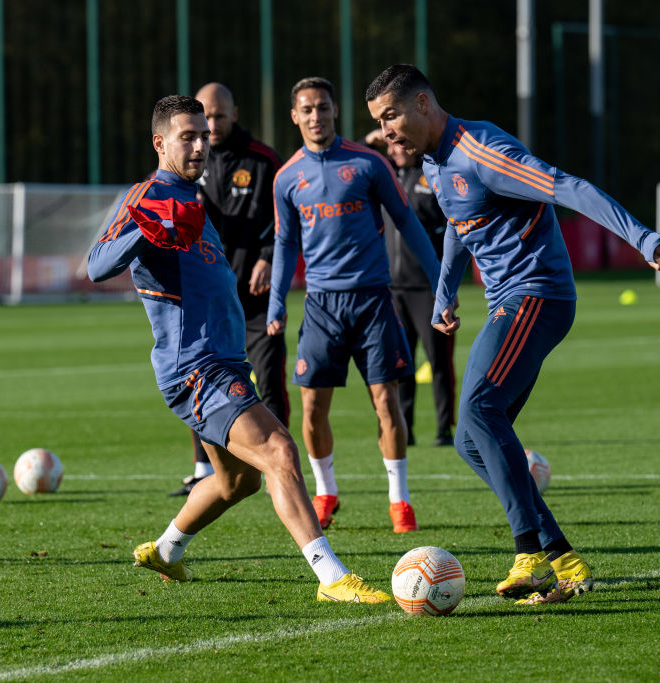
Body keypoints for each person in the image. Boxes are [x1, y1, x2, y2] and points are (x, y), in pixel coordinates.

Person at [365, 64, 660, 605]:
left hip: (538, 295)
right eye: (379, 121)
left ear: (422, 103)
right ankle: (563, 558)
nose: (386, 131)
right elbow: (460, 225)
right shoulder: (434, 162)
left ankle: (528, 552)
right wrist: (445, 292)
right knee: (471, 440)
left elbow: (567, 187)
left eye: (391, 116)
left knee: (479, 409)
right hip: (507, 301)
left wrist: (643, 237)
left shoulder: (481, 150)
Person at [88, 95, 390, 603]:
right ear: (160, 143)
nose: (200, 146)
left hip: (224, 362)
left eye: (204, 136)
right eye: (187, 136)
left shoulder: (189, 197)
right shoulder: (148, 196)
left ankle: (165, 550)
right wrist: (147, 228)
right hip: (195, 367)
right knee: (280, 451)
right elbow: (97, 265)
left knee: (237, 483)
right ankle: (332, 577)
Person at [267, 77, 440, 533]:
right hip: (321, 307)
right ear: (295, 116)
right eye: (307, 109)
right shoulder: (287, 177)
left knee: (386, 402)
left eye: (323, 107)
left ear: (335, 111)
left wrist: (441, 280)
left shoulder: (368, 162)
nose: (316, 116)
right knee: (311, 409)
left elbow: (406, 220)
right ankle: (326, 492)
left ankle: (400, 500)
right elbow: (285, 244)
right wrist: (276, 304)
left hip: (373, 301)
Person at [168, 82, 290, 497]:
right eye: (206, 117)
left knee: (269, 379)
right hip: (208, 300)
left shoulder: (262, 160)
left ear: (234, 114)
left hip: (255, 295)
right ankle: (203, 470)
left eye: (220, 116)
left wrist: (268, 256)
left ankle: (279, 468)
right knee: (198, 381)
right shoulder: (186, 163)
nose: (213, 125)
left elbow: (285, 218)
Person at [364, 130, 456, 448]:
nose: (393, 151)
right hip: (392, 289)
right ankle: (406, 430)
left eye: (398, 144)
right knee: (401, 363)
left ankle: (444, 429)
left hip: (427, 289)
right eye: (389, 145)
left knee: (439, 361)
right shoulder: (384, 175)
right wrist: (369, 142)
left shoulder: (433, 173)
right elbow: (350, 164)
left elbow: (453, 232)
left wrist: (445, 285)